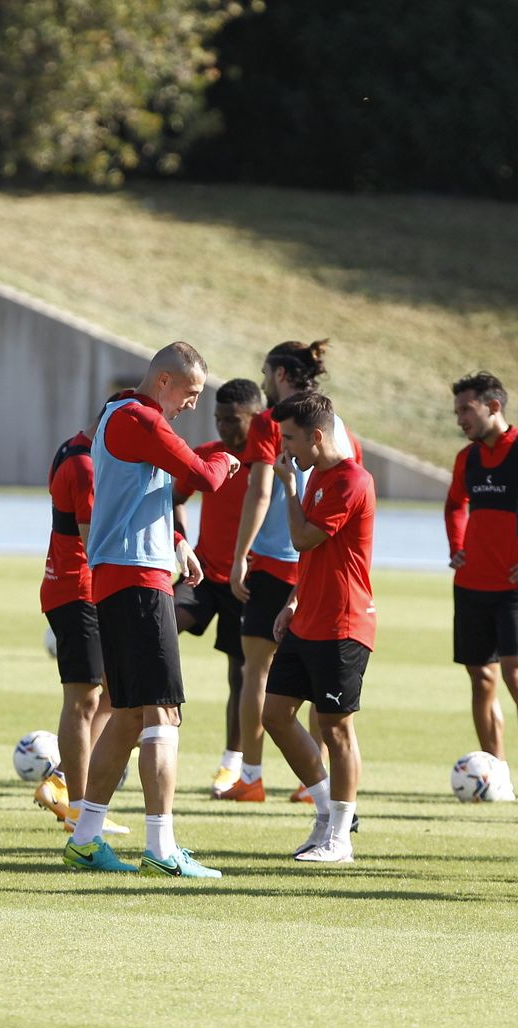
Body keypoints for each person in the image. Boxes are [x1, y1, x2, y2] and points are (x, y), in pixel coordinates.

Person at [62, 342, 238, 877]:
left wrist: (178, 542)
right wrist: (227, 458)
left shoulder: (123, 413)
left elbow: (159, 490)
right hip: (137, 581)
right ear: (164, 380)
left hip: (126, 576)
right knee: (163, 712)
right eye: (191, 392)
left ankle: (86, 837)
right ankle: (161, 848)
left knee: (129, 712)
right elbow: (205, 478)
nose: (193, 403)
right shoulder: (140, 418)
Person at [221, 340, 360, 804]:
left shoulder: (270, 422)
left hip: (282, 562)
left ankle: (252, 776)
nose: (262, 381)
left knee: (255, 674)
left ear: (281, 374)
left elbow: (261, 493)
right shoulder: (337, 428)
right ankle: (312, 785)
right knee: (306, 696)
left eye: (265, 372)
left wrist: (240, 555)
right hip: (311, 574)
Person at [259, 393, 376, 863]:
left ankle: (340, 839)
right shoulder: (320, 478)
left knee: (336, 729)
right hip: (309, 618)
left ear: (317, 436)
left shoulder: (351, 479)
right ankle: (329, 814)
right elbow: (313, 555)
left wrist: (288, 486)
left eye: (289, 438)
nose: (284, 448)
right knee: (274, 715)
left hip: (343, 624)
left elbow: (302, 537)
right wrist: (293, 599)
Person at [444, 371, 518, 803]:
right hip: (471, 585)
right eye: (457, 411)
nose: (460, 419)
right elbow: (456, 504)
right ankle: (495, 775)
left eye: (466, 410)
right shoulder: (466, 458)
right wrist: (457, 546)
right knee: (481, 679)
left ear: (493, 407)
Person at [34, 400, 127, 838]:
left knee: (110, 693)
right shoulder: (87, 465)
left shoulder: (73, 447)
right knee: (84, 698)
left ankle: (73, 790)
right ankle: (78, 806)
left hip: (77, 587)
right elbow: (95, 542)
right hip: (78, 590)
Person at [172, 378, 261, 794]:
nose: (224, 428)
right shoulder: (208, 455)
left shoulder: (269, 462)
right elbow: (174, 497)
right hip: (203, 574)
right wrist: (181, 541)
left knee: (240, 674)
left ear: (256, 418)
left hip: (249, 581)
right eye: (218, 419)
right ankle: (134, 727)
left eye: (233, 420)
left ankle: (232, 764)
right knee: (158, 624)